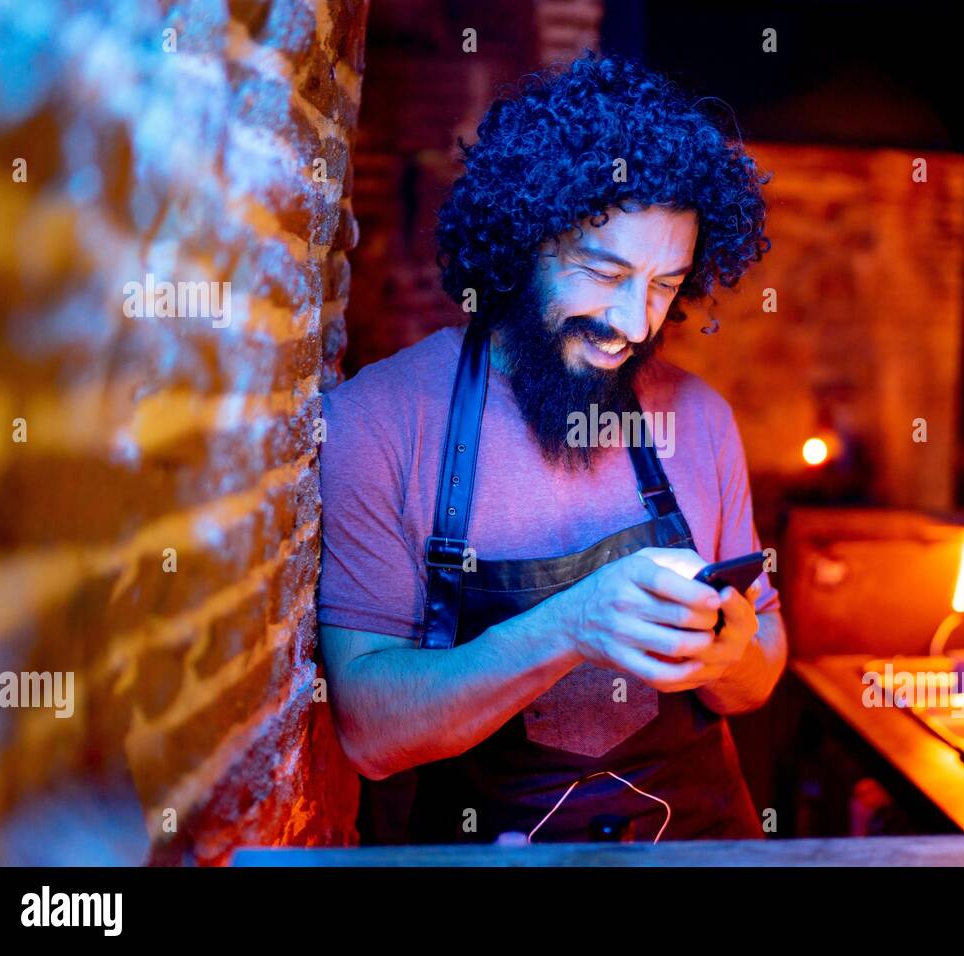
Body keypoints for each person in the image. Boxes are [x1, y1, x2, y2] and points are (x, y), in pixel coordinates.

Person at [317, 50, 786, 844]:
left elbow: (763, 663)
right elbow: (368, 733)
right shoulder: (380, 420)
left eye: (665, 284)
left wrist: (732, 655)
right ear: (521, 240)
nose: (634, 324)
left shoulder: (700, 419)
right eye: (603, 273)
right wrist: (573, 626)